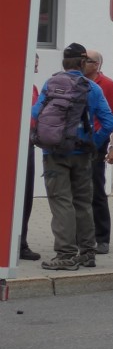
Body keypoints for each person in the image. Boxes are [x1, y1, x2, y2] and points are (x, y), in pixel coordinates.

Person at [31, 42, 113, 271]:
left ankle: (66, 254)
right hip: (82, 154)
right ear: (82, 63)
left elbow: (35, 113)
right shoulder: (93, 88)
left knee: (61, 204)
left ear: (63, 62)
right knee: (82, 203)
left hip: (54, 153)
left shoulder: (51, 83)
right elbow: (109, 122)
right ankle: (87, 253)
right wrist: (93, 144)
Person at [84, 49, 113, 254]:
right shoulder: (78, 83)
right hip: (79, 144)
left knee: (97, 190)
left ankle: (102, 238)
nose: (82, 63)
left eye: (86, 60)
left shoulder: (107, 85)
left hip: (97, 143)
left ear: (97, 64)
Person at [18, 53, 42, 262]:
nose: (36, 66)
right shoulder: (17, 86)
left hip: (28, 146)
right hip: (16, 147)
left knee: (26, 197)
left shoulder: (33, 88)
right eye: (34, 62)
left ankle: (21, 242)